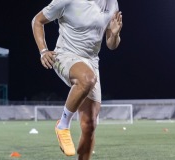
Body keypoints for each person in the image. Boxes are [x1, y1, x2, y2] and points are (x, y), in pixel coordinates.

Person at [32, 0, 122, 159]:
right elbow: (37, 21)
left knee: (90, 126)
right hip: (65, 55)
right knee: (87, 79)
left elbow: (111, 45)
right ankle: (62, 125)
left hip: (92, 61)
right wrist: (43, 51)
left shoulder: (111, 3)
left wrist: (114, 34)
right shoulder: (67, 1)